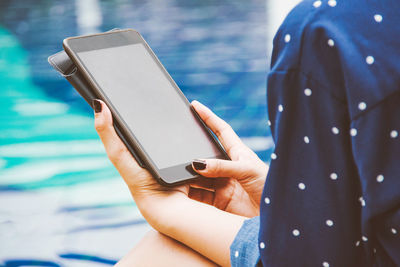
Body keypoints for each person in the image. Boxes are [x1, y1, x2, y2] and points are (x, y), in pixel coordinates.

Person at [92, 0, 400, 265]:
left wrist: (167, 210)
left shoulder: (328, 29)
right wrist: (285, 200)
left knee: (163, 252)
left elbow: (308, 261)